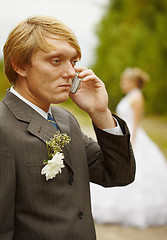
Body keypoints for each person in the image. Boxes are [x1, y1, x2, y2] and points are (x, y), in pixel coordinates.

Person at [0, 16, 135, 240]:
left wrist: (101, 113)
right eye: (56, 61)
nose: (71, 72)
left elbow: (119, 175)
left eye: (73, 61)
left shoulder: (66, 120)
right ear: (19, 65)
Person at [90, 67, 167, 228]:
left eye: (125, 80)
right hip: (125, 133)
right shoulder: (130, 96)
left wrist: (132, 140)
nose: (123, 83)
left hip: (132, 135)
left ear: (133, 82)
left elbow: (136, 121)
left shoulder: (137, 97)